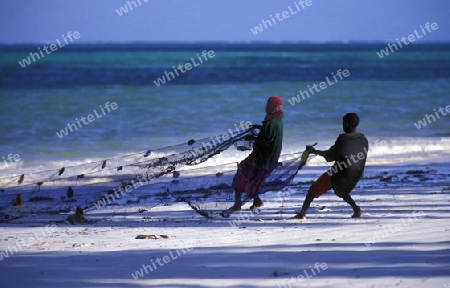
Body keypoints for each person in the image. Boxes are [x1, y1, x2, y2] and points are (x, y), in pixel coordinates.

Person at [293, 113, 369, 219]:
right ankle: (356, 209)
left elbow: (330, 156)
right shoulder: (363, 139)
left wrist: (314, 151)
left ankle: (302, 213)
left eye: (343, 123)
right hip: (356, 174)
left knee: (313, 190)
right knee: (341, 191)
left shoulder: (343, 138)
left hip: (339, 173)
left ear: (346, 124)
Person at [222, 95, 284, 216]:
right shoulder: (279, 118)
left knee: (241, 173)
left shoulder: (270, 122)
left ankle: (237, 205)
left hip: (261, 157)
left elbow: (265, 141)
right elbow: (269, 135)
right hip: (271, 156)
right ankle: (257, 201)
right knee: (254, 178)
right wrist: (259, 128)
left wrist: (253, 138)